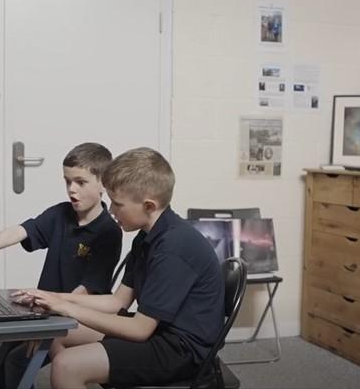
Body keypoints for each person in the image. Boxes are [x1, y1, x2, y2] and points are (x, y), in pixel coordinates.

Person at [12, 147, 225, 389]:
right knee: (57, 333)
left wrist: (66, 307)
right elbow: (117, 302)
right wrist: (53, 298)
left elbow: (140, 330)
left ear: (148, 205)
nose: (111, 211)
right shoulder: (146, 237)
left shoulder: (173, 248)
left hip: (181, 351)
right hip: (160, 333)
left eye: (117, 204)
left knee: (66, 366)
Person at [0, 142, 122, 389]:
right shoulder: (61, 214)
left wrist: (48, 325)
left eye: (80, 182)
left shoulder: (108, 232)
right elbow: (21, 231)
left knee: (18, 361)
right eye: (67, 181)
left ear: (103, 184)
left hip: (75, 318)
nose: (71, 189)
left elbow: (85, 292)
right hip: (47, 310)